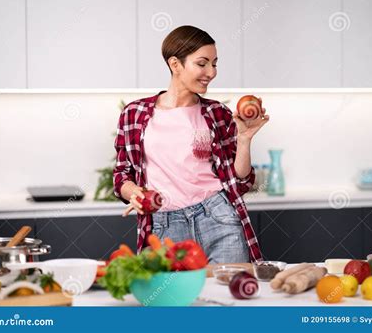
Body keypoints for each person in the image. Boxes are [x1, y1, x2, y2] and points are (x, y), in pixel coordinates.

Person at [113, 25, 269, 263]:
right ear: (175, 64)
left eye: (215, 64)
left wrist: (244, 140)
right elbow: (122, 174)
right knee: (171, 299)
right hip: (164, 227)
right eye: (202, 63)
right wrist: (133, 191)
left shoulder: (217, 113)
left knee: (231, 295)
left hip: (218, 218)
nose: (212, 72)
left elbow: (241, 180)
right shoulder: (134, 114)